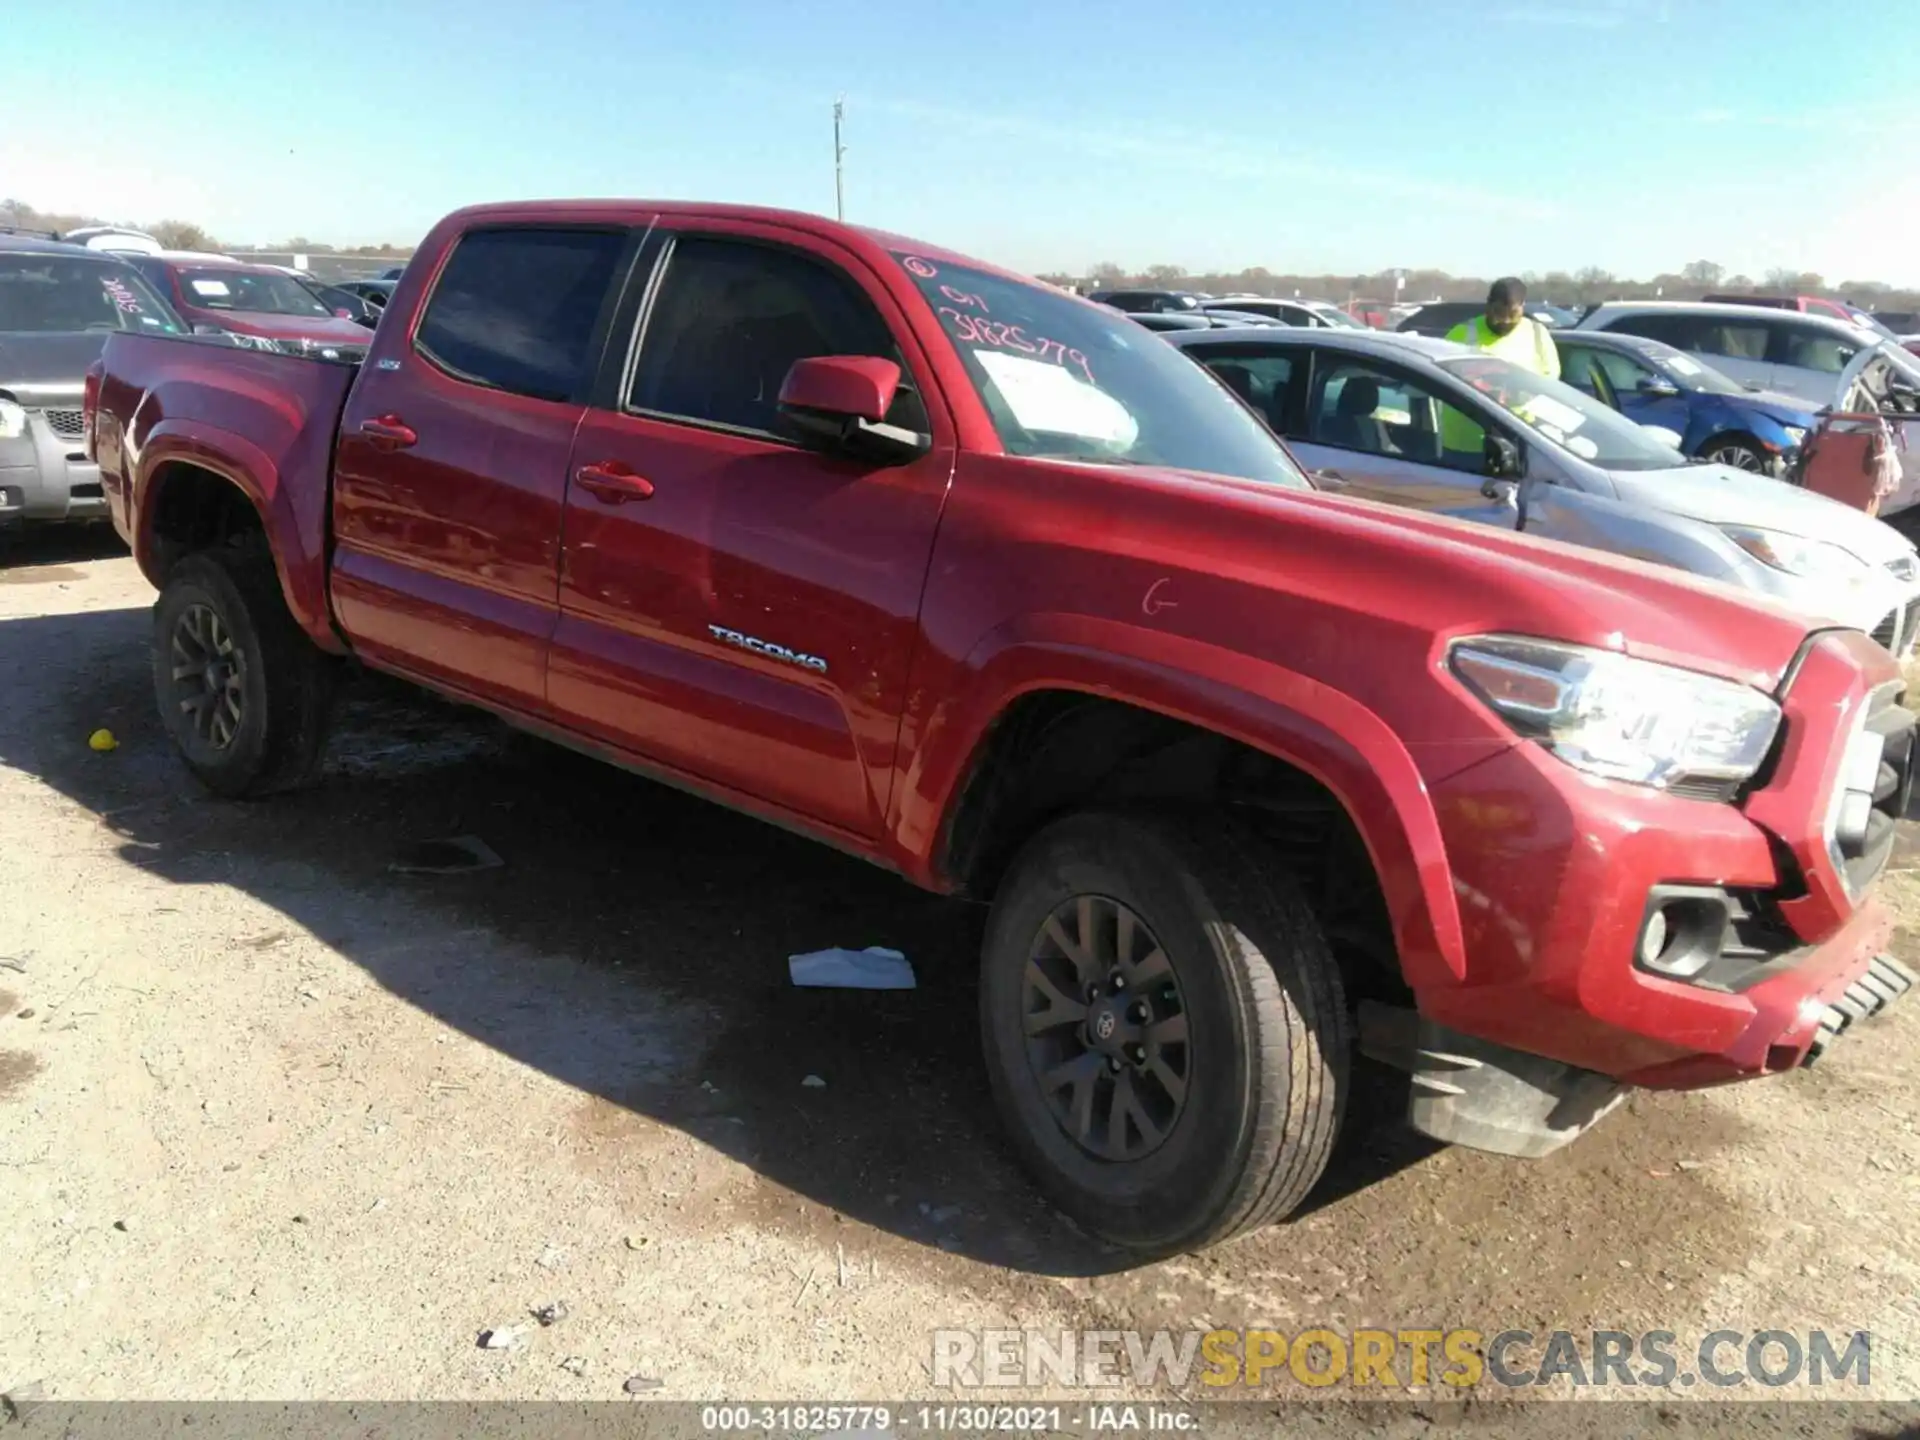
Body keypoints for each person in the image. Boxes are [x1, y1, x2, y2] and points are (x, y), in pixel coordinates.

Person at [1447, 277, 1560, 380]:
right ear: (1488, 305)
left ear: (1522, 306)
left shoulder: (1538, 333)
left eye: (1512, 314)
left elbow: (1551, 378)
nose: (1506, 320)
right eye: (1499, 313)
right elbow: (1443, 377)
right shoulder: (1461, 333)